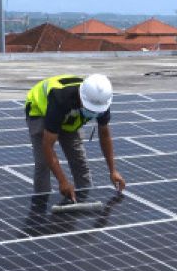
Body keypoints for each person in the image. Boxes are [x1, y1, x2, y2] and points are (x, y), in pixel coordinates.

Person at [24, 74, 125, 202]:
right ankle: (41, 204)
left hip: (69, 115)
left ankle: (84, 200)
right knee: (43, 163)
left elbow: (104, 134)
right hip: (39, 110)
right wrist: (62, 181)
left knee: (79, 160)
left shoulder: (101, 100)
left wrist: (113, 171)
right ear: (82, 98)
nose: (93, 113)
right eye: (90, 109)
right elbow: (47, 146)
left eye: (96, 111)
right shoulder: (60, 99)